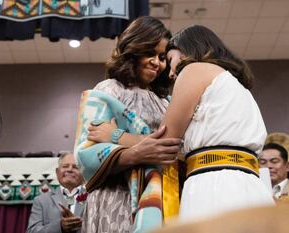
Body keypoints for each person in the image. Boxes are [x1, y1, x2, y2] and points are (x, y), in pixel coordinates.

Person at [73, 16, 182, 233]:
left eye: (162, 57)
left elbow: (171, 147)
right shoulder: (109, 90)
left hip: (158, 198)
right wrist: (137, 154)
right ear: (133, 49)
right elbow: (85, 154)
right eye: (149, 52)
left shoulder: (166, 101)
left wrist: (118, 137)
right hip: (114, 198)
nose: (157, 62)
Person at [162, 24, 274, 221]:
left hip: (214, 184)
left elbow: (163, 141)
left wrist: (114, 136)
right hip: (251, 186)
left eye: (170, 60)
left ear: (187, 50)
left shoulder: (194, 70)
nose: (170, 73)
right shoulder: (240, 88)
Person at [26, 152, 85, 233]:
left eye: (75, 167)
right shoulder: (41, 201)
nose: (70, 169)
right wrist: (60, 226)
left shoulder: (93, 199)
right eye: (65, 166)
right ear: (57, 172)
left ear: (83, 173)